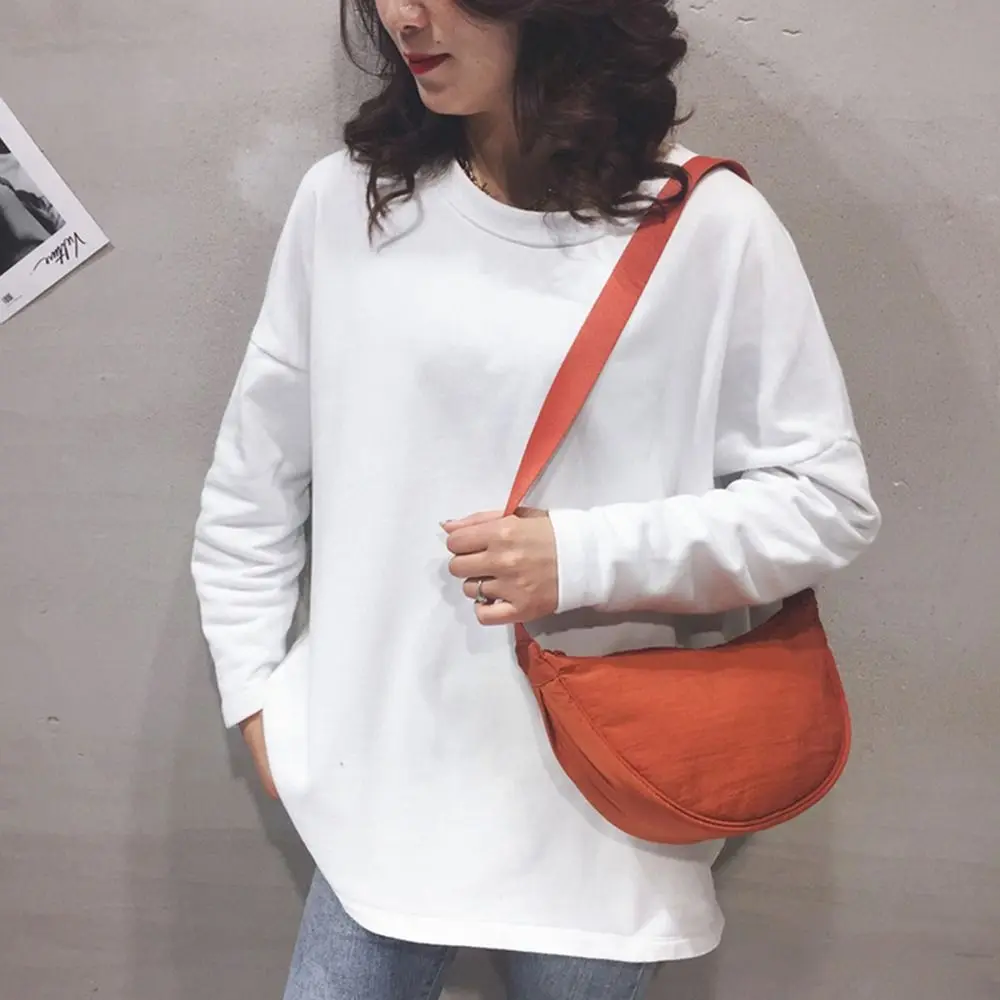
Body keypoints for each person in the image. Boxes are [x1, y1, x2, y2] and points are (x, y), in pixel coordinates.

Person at [191, 0, 881, 996]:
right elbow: (253, 480)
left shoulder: (704, 224)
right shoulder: (348, 203)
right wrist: (257, 695)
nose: (404, 15)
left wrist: (582, 557)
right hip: (379, 798)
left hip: (604, 813)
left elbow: (823, 502)